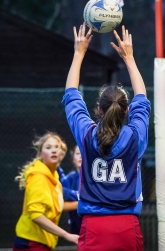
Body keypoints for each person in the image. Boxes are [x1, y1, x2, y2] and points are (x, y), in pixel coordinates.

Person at [62, 24, 151, 250]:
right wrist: (129, 58)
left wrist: (79, 53)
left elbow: (71, 97)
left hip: (94, 225)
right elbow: (142, 98)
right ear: (128, 111)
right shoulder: (135, 136)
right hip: (126, 225)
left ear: (99, 110)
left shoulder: (86, 135)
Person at [13, 132, 79, 251]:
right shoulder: (38, 176)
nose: (53, 150)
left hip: (43, 242)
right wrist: (66, 235)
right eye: (48, 147)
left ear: (61, 153)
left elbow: (55, 205)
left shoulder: (53, 176)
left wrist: (83, 204)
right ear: (40, 154)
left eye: (56, 147)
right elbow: (36, 215)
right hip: (30, 242)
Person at [62, 145, 82, 234]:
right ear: (73, 158)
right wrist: (84, 202)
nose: (81, 156)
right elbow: (60, 205)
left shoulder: (100, 177)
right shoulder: (68, 179)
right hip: (76, 227)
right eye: (78, 153)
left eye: (84, 153)